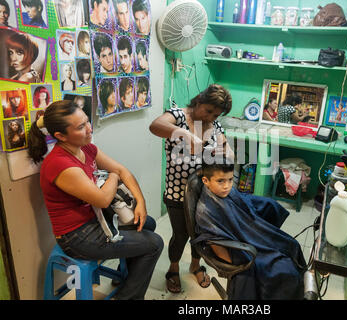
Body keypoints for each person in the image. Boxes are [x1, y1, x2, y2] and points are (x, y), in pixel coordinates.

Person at [27, 100, 164, 300]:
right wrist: (113, 176)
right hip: (77, 236)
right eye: (81, 127)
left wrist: (140, 202)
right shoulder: (60, 164)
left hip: (95, 220)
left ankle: (128, 279)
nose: (89, 129)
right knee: (155, 244)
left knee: (146, 222)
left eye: (86, 121)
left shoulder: (87, 148)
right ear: (60, 136)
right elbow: (102, 198)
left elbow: (123, 169)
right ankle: (128, 296)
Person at [149, 84, 233, 294]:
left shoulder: (214, 126)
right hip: (177, 192)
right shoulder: (178, 116)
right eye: (208, 111)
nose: (211, 117)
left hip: (204, 192)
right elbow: (155, 126)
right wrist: (183, 134)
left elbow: (229, 153)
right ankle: (173, 269)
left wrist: (221, 153)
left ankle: (195, 265)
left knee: (200, 233)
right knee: (181, 234)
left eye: (216, 114)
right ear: (198, 102)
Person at [192, 160, 306, 299]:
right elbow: (214, 243)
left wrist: (269, 205)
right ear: (206, 180)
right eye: (221, 181)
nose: (227, 186)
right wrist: (239, 266)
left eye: (230, 179)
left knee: (291, 244)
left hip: (248, 236)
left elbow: (244, 203)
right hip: (240, 251)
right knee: (285, 271)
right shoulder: (205, 212)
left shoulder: (226, 192)